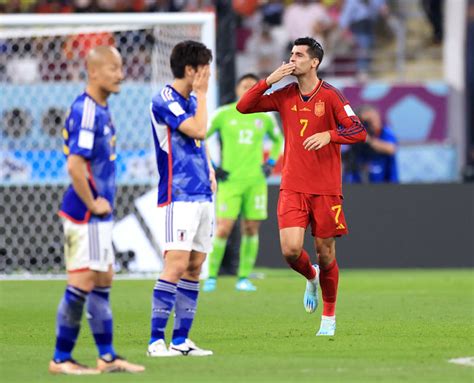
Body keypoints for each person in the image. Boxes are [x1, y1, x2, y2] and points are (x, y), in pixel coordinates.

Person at [237, 37, 367, 336]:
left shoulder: (332, 96)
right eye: (290, 54)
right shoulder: (283, 94)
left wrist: (330, 136)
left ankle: (329, 317)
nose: (291, 59)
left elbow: (358, 131)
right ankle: (311, 277)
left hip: (325, 188)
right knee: (291, 250)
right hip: (293, 185)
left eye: (298, 55)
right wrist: (268, 81)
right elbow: (244, 106)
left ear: (314, 62)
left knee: (326, 252)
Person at [50, 46, 145, 375]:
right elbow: (75, 165)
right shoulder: (87, 111)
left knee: (103, 279)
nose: (121, 74)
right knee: (82, 282)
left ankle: (107, 357)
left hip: (98, 216)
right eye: (113, 68)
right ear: (93, 72)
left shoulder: (101, 110)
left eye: (120, 67)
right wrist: (92, 203)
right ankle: (61, 359)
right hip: (84, 214)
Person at [147, 40, 215, 357]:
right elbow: (199, 131)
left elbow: (201, 143)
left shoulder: (191, 99)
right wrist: (202, 95)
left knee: (195, 266)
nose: (209, 76)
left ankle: (181, 340)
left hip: (202, 192)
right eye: (205, 70)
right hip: (179, 193)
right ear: (191, 70)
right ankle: (155, 341)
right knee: (175, 265)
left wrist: (211, 168)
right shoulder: (165, 100)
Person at [203, 73, 283, 292]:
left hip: (255, 181)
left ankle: (243, 278)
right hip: (230, 181)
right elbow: (201, 137)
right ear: (237, 89)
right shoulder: (224, 114)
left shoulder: (265, 117)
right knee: (223, 228)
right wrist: (213, 165)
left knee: (251, 228)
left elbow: (279, 140)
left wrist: (271, 163)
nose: (248, 88)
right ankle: (210, 276)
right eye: (244, 85)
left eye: (252, 86)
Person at [343, 104, 398, 183]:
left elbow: (391, 149)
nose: (372, 123)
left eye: (373, 118)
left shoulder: (385, 132)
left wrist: (368, 140)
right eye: (366, 122)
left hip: (386, 183)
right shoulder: (355, 137)